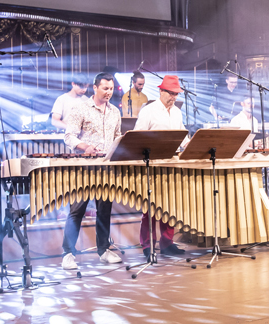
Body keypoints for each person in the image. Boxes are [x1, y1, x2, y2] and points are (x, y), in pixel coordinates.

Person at [60, 73, 123, 270]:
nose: (109, 92)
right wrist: (84, 145)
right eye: (105, 88)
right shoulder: (80, 108)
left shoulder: (114, 112)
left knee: (104, 210)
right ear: (95, 88)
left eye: (111, 89)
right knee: (77, 210)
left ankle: (103, 250)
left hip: (106, 167)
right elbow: (69, 136)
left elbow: (117, 136)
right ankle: (68, 253)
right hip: (84, 167)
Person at [134, 75, 189, 259]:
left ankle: (167, 244)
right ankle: (147, 246)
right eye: (171, 93)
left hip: (171, 164)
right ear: (161, 91)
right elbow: (137, 136)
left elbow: (182, 135)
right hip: (152, 165)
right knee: (150, 209)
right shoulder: (148, 111)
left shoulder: (177, 112)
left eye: (176, 94)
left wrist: (189, 144)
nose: (173, 97)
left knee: (170, 206)